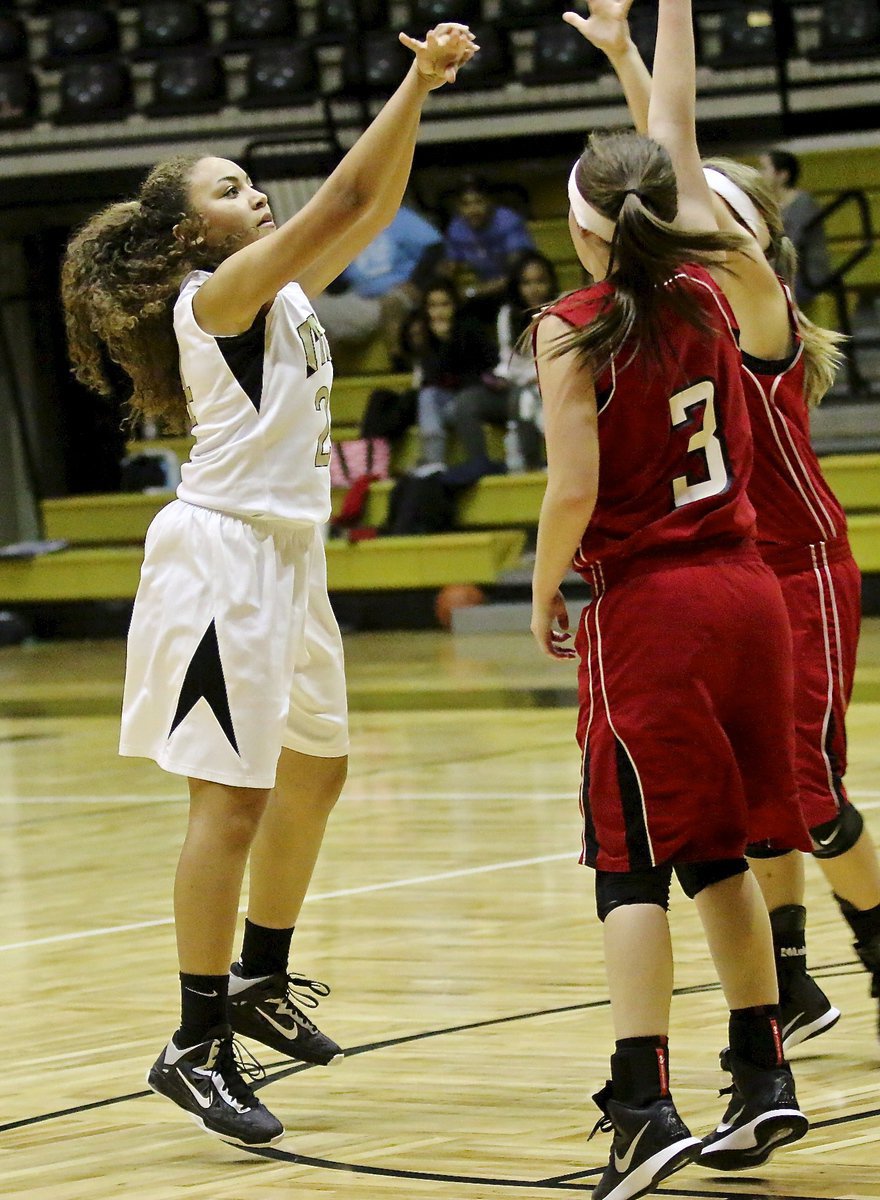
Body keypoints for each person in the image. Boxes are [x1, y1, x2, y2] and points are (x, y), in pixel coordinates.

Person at [60, 22, 477, 1149]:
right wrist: (416, 76)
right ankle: (193, 1043)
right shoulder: (217, 299)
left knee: (318, 774)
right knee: (230, 803)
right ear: (192, 230)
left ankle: (260, 978)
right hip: (221, 563)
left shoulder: (281, 290)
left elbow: (372, 210)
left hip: (288, 558)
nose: (256, 197)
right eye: (234, 187)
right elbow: (342, 198)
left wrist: (421, 104)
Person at [530, 4, 811, 1198]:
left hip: (650, 605)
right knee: (722, 855)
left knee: (627, 864)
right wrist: (660, 29)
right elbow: (675, 134)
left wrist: (545, 590)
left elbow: (570, 489)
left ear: (582, 224)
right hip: (751, 599)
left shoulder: (571, 326)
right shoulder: (715, 294)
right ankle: (762, 1076)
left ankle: (641, 1103)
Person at [584, 0, 880, 1050]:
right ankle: (790, 980)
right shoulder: (684, 302)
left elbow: (677, 147)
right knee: (756, 795)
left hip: (802, 571)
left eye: (720, 208)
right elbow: (659, 167)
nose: (697, 212)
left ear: (758, 235)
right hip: (731, 580)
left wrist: (667, 19)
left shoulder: (758, 307)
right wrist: (626, 53)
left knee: (803, 794)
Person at [310, 201, 443, 365]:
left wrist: (416, 284)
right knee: (308, 309)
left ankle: (401, 369)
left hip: (400, 293)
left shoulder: (398, 216)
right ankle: (326, 375)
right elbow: (336, 281)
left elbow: (436, 248)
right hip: (362, 298)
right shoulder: (346, 225)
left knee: (391, 305)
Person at [413, 278, 504, 478]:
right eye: (433, 306)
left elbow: (485, 371)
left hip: (473, 400)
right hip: (446, 404)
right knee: (427, 396)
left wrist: (448, 341)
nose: (439, 311)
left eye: (445, 304)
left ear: (455, 305)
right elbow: (431, 378)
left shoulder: (471, 329)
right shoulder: (426, 336)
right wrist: (440, 343)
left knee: (461, 402)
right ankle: (433, 461)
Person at [493, 250, 559, 470]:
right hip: (520, 384)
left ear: (551, 282)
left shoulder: (561, 310)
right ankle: (528, 464)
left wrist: (537, 379)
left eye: (540, 281)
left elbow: (559, 357)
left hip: (553, 382)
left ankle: (533, 461)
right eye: (527, 283)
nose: (534, 289)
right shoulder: (508, 315)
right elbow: (507, 360)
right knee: (522, 397)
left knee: (526, 399)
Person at [439, 174, 535, 308]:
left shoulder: (508, 221)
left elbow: (516, 274)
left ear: (490, 201)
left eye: (478, 201)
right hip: (484, 294)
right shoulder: (457, 228)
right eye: (466, 204)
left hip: (517, 292)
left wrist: (472, 292)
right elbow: (449, 269)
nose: (473, 210)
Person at [760, 149, 832, 309]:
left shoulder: (803, 203)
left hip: (806, 273)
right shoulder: (771, 205)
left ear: (783, 175)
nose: (760, 174)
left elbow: (791, 242)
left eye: (764, 168)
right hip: (786, 270)